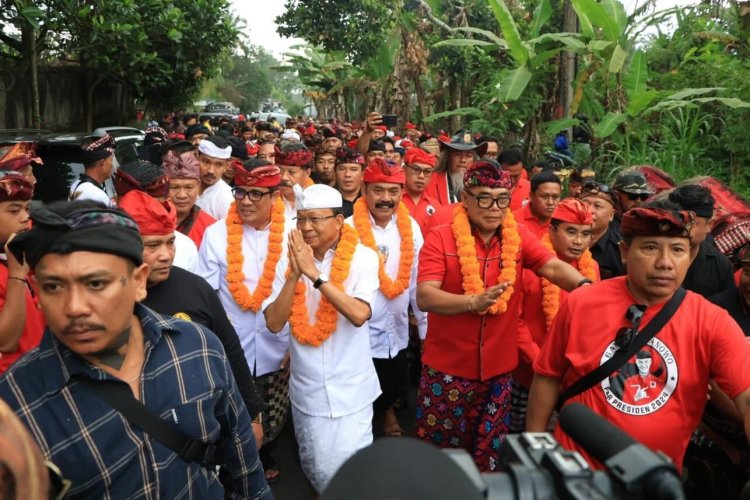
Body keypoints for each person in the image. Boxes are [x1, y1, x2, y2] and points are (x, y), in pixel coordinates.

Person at [3, 201, 271, 498]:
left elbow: (245, 470)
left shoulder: (198, 348)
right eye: (53, 286)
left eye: (95, 283)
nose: (74, 307)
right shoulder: (16, 405)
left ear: (139, 281)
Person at [527, 206, 750, 472]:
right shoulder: (582, 303)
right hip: (575, 474)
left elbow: (746, 398)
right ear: (624, 252)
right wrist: (534, 449)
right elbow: (548, 377)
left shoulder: (712, 321)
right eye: (650, 248)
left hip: (654, 481)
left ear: (690, 256)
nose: (665, 263)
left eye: (677, 250)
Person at [415, 161, 592, 472]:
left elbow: (550, 266)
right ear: (465, 198)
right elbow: (425, 295)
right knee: (442, 456)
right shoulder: (441, 238)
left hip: (498, 371)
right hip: (448, 370)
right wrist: (472, 302)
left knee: (489, 455)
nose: (493, 207)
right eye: (483, 197)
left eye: (501, 198)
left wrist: (588, 289)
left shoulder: (518, 235)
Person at [119, 188, 265, 444]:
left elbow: (229, 350)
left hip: (203, 427)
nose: (166, 255)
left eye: (170, 242)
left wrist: (252, 415)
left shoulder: (195, 288)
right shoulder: (110, 299)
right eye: (153, 245)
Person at [263, 184, 381, 493]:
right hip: (309, 391)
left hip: (352, 391)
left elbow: (358, 314)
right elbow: (274, 323)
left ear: (339, 222)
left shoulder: (364, 258)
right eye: (300, 219)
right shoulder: (286, 261)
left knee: (356, 474)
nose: (306, 227)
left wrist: (315, 276)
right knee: (317, 469)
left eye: (315, 219)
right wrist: (294, 273)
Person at [198, 161, 292, 484]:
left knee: (274, 413)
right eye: (241, 192)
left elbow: (306, 295)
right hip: (232, 345)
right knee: (235, 414)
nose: (247, 200)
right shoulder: (215, 235)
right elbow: (207, 295)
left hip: (277, 345)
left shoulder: (294, 232)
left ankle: (266, 453)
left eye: (256, 194)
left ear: (275, 196)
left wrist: (298, 344)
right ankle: (240, 467)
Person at [346, 158, 427, 438]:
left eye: (393, 191)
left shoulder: (411, 228)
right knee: (361, 374)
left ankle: (387, 410)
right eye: (378, 190)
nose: (386, 198)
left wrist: (425, 327)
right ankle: (363, 420)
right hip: (358, 324)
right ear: (364, 190)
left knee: (394, 372)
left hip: (397, 320)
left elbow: (417, 279)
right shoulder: (346, 229)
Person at [512, 198, 599, 431]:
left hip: (570, 376)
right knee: (520, 438)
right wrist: (541, 363)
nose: (579, 241)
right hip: (527, 374)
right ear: (551, 229)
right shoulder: (530, 265)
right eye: (571, 232)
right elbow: (515, 323)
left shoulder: (592, 269)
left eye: (585, 234)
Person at [114, 159, 199, 273]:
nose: (165, 256)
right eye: (136, 208)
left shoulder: (185, 248)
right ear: (116, 201)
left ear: (167, 202)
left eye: (155, 208)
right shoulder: (95, 249)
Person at [0, 172, 44, 374]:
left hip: (36, 375)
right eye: (14, 210)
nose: (25, 217)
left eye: (27, 209)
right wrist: (17, 276)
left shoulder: (15, 256)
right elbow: (6, 342)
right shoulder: (14, 265)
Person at [668, 184, 734, 297]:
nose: (683, 229)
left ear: (709, 225)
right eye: (677, 221)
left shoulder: (720, 266)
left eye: (691, 224)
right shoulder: (650, 256)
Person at [163, 147, 217, 248]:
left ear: (198, 186)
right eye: (174, 187)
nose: (182, 195)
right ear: (163, 187)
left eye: (189, 187)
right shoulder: (149, 221)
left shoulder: (211, 228)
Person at [425, 131, 487, 206]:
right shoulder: (430, 181)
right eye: (457, 154)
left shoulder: (482, 183)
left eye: (468, 155)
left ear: (474, 161)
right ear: (448, 158)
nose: (463, 160)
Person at [580, 182, 626, 279]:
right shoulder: (562, 239)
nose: (589, 210)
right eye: (585, 204)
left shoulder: (619, 250)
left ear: (611, 215)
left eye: (597, 206)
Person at [512, 170, 562, 240]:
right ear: (531, 196)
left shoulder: (563, 223)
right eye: (544, 196)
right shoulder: (513, 220)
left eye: (555, 197)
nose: (550, 202)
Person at [69, 134, 116, 206]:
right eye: (111, 160)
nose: (112, 165)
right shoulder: (97, 197)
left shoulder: (77, 184)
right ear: (103, 163)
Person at [401, 147, 438, 235]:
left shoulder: (436, 206)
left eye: (427, 171)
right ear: (404, 169)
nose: (421, 176)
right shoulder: (393, 200)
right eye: (416, 169)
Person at [276, 142, 314, 218]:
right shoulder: (266, 201)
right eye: (280, 171)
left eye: (291, 172)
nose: (284, 177)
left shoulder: (318, 201)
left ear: (307, 173)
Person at [334, 147, 365, 218]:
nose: (347, 174)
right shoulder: (327, 200)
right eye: (342, 169)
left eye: (353, 169)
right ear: (335, 173)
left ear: (362, 175)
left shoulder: (370, 199)